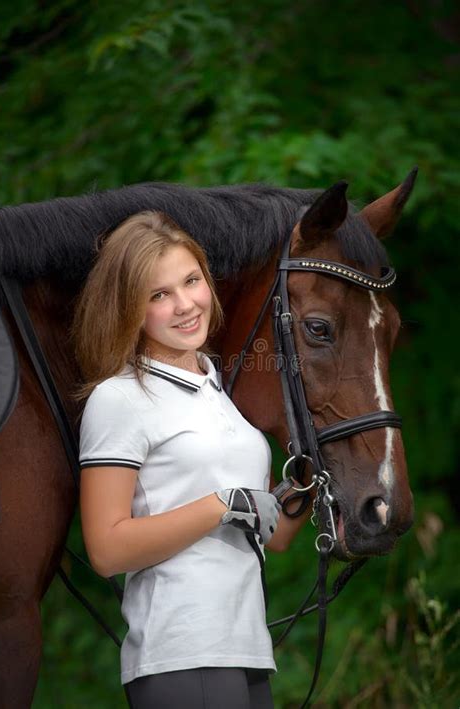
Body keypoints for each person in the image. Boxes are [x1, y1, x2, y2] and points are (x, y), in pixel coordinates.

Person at [73, 211, 298, 709]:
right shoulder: (120, 398)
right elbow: (106, 550)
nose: (184, 305)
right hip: (178, 653)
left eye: (191, 280)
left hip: (247, 649)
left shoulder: (219, 391)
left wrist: (302, 486)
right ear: (130, 310)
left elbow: (274, 535)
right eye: (158, 295)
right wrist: (222, 503)